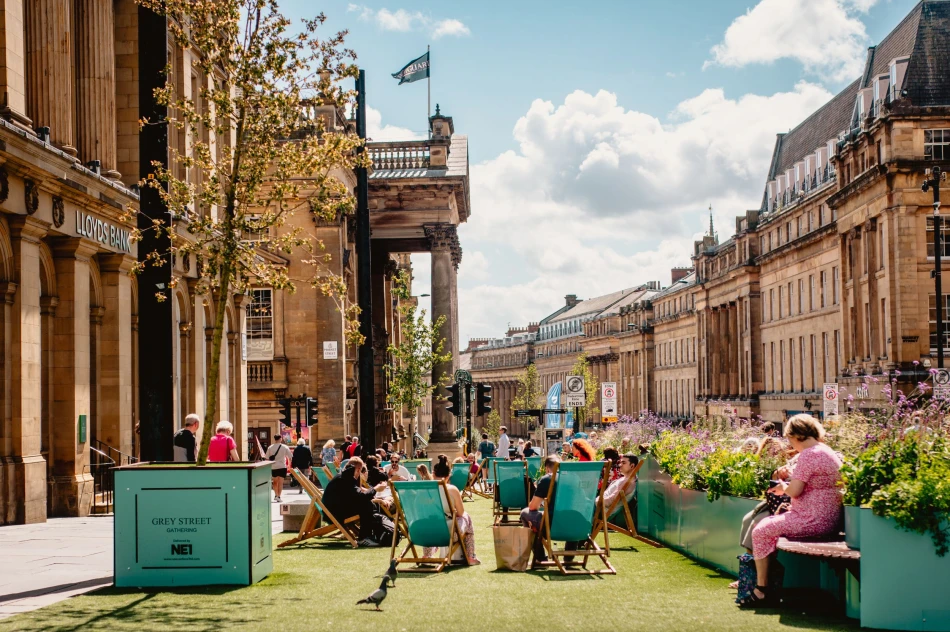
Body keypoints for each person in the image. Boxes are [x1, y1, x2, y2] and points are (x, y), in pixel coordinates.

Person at [741, 415, 843, 606]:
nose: (790, 443)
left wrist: (782, 488)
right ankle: (765, 583)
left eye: (789, 439)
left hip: (812, 519)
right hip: (829, 518)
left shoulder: (808, 455)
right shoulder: (825, 451)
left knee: (761, 530)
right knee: (766, 525)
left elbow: (795, 490)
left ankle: (761, 589)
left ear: (796, 436)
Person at [521, 455, 578, 566]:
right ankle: (568, 558)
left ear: (547, 468)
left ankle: (540, 557)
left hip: (552, 525)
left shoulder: (547, 479)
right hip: (575, 526)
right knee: (571, 516)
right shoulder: (573, 478)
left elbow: (533, 507)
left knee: (525, 513)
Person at [322, 457, 390, 547]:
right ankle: (364, 537)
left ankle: (367, 535)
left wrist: (374, 494)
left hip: (334, 510)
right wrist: (376, 488)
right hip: (334, 514)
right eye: (360, 470)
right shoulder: (346, 478)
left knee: (367, 503)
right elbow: (361, 496)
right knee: (367, 504)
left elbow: (357, 493)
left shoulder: (344, 475)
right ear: (358, 469)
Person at [426, 455, 480, 565]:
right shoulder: (452, 490)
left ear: (433, 474)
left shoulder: (426, 490)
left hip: (427, 534)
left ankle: (427, 554)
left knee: (431, 522)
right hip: (450, 534)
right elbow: (460, 513)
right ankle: (470, 556)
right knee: (466, 517)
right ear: (449, 475)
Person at [265, 436, 292, 502]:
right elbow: (290, 457)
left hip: (274, 466)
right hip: (282, 466)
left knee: (275, 482)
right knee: (280, 482)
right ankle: (278, 496)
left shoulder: (270, 447)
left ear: (274, 439)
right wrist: (289, 465)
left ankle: (276, 495)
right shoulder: (285, 447)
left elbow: (266, 458)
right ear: (280, 439)